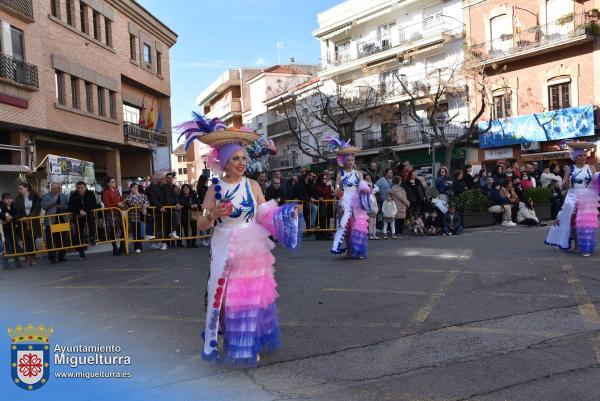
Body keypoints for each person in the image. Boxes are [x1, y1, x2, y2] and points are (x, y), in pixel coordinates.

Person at [179, 114, 300, 366]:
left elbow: (265, 214)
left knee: (249, 296)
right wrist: (213, 213)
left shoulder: (253, 185)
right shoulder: (214, 190)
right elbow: (201, 222)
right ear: (224, 162)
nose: (241, 162)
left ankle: (245, 342)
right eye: (235, 158)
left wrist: (286, 213)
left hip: (252, 245)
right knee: (223, 298)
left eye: (243, 158)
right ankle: (228, 335)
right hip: (223, 245)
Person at [546, 142, 598, 256]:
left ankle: (586, 245)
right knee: (572, 221)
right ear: (575, 157)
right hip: (573, 196)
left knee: (585, 223)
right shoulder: (570, 169)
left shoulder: (591, 168)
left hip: (587, 197)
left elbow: (595, 183)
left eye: (584, 155)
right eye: (580, 156)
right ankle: (577, 245)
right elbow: (564, 185)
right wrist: (565, 183)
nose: (583, 157)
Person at [328, 136, 370, 258]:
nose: (351, 162)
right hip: (345, 201)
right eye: (348, 160)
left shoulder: (359, 173)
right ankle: (350, 249)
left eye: (352, 160)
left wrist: (365, 190)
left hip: (357, 202)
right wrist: (337, 192)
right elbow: (336, 187)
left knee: (359, 226)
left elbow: (363, 186)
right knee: (346, 226)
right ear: (343, 161)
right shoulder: (339, 174)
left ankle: (359, 250)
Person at [68, 181, 98, 260]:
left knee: (92, 220)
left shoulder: (90, 194)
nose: (80, 189)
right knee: (79, 234)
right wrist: (78, 212)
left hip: (88, 214)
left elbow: (94, 204)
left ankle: (92, 237)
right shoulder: (73, 195)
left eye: (82, 188)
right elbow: (70, 207)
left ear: (85, 187)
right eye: (78, 188)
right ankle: (81, 253)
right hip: (78, 216)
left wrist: (85, 211)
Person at [41, 182, 69, 263]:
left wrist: (63, 207)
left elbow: (68, 206)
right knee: (51, 240)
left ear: (59, 188)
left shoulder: (64, 196)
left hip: (62, 219)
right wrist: (54, 200)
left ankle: (61, 256)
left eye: (55, 188)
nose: (53, 190)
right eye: (52, 188)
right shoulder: (46, 196)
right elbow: (44, 206)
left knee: (63, 239)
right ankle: (52, 258)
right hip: (51, 221)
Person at [14, 182, 42, 266]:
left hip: (32, 221)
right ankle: (27, 258)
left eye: (21, 189)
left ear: (27, 188)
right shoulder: (18, 198)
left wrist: (29, 217)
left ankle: (33, 257)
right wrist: (23, 218)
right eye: (19, 189)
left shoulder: (35, 197)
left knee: (32, 239)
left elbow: (37, 209)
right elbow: (16, 210)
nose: (19, 191)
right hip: (22, 222)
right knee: (25, 240)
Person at [101, 176, 125, 256]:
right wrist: (117, 204)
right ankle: (115, 248)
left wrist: (123, 202)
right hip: (111, 213)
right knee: (112, 231)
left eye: (114, 181)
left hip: (119, 212)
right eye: (112, 182)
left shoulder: (117, 191)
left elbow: (121, 199)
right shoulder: (105, 192)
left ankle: (122, 247)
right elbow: (107, 205)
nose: (114, 183)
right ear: (107, 183)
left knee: (124, 230)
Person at [124, 183, 149, 254]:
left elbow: (147, 201)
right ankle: (137, 247)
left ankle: (139, 247)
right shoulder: (129, 196)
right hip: (133, 217)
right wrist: (142, 203)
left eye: (137, 188)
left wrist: (145, 205)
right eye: (134, 187)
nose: (136, 189)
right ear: (131, 188)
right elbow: (132, 203)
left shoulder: (142, 195)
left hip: (141, 216)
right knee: (136, 232)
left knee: (141, 232)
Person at [1, 193, 22, 269]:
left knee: (15, 245)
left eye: (10, 198)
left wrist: (12, 218)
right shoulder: (1, 206)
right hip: (3, 230)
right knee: (6, 246)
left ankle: (18, 263)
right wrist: (6, 217)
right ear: (3, 200)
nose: (9, 200)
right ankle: (6, 264)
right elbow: (1, 214)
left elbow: (17, 214)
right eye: (7, 198)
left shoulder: (13, 205)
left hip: (12, 228)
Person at [177, 184, 199, 248]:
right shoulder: (180, 196)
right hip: (184, 215)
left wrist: (196, 205)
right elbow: (182, 203)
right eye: (184, 188)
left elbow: (198, 202)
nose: (185, 189)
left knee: (194, 229)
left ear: (189, 189)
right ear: (182, 189)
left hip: (192, 214)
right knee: (186, 229)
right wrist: (190, 206)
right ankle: (188, 243)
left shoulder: (193, 195)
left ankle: (193, 243)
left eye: (187, 188)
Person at [314, 173, 335, 240]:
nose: (326, 180)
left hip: (328, 204)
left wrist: (332, 193)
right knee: (322, 219)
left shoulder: (327, 185)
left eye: (326, 178)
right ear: (321, 179)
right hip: (321, 205)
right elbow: (320, 193)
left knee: (328, 219)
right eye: (325, 178)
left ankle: (327, 232)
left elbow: (330, 193)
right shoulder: (317, 186)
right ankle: (321, 233)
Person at [196, 175, 210, 247]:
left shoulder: (199, 188)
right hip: (205, 208)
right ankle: (205, 239)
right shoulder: (204, 188)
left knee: (205, 223)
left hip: (204, 208)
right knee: (207, 223)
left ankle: (204, 239)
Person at [364, 175, 379, 240]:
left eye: (370, 188)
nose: (369, 189)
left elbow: (375, 203)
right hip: (369, 211)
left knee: (374, 223)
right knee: (370, 223)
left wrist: (377, 209)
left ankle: (374, 234)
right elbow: (365, 203)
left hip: (374, 211)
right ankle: (370, 234)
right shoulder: (366, 196)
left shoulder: (373, 195)